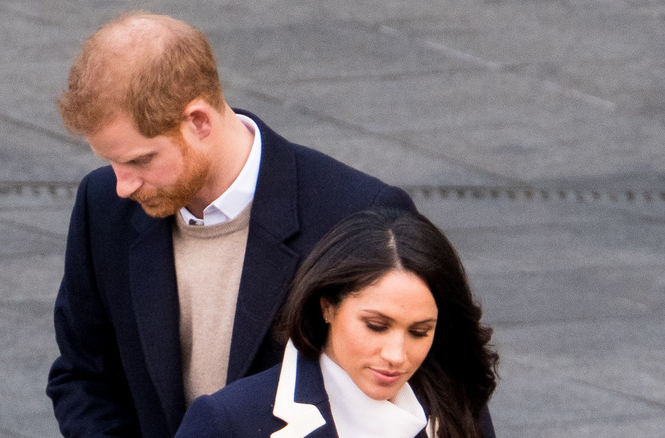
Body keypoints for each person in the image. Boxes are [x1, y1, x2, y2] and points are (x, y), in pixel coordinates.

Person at [46, 10, 421, 438]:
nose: (122, 186)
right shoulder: (102, 208)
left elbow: (433, 383)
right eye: (111, 162)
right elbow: (85, 376)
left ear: (199, 121)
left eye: (139, 160)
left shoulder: (356, 214)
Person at [175, 209, 499, 438]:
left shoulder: (457, 403)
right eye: (376, 325)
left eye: (419, 331)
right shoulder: (228, 421)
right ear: (327, 306)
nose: (397, 355)